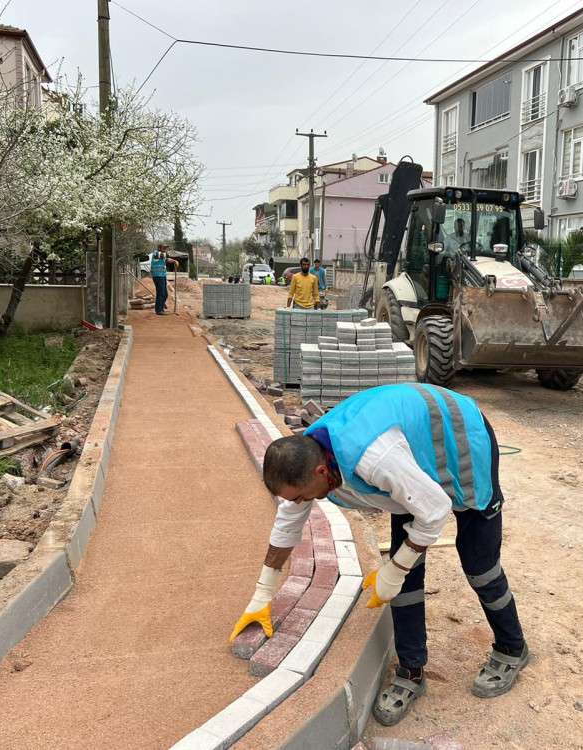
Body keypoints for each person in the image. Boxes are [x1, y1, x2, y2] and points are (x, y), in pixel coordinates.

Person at [229, 383, 529, 727]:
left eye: (299, 497)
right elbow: (287, 524)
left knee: (479, 564)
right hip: (415, 461)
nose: (298, 503)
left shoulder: (376, 460)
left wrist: (395, 569)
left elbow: (435, 511)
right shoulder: (307, 459)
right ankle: (411, 671)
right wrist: (262, 595)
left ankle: (512, 648)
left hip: (462, 441)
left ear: (320, 473)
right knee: (405, 581)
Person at [149, 246, 177, 315]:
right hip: (158, 276)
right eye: (164, 248)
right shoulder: (156, 253)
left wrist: (173, 261)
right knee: (161, 293)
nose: (165, 250)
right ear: (159, 248)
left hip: (162, 276)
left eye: (165, 248)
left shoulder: (162, 255)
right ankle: (159, 310)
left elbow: (166, 259)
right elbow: (165, 258)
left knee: (165, 294)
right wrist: (173, 261)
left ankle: (161, 306)